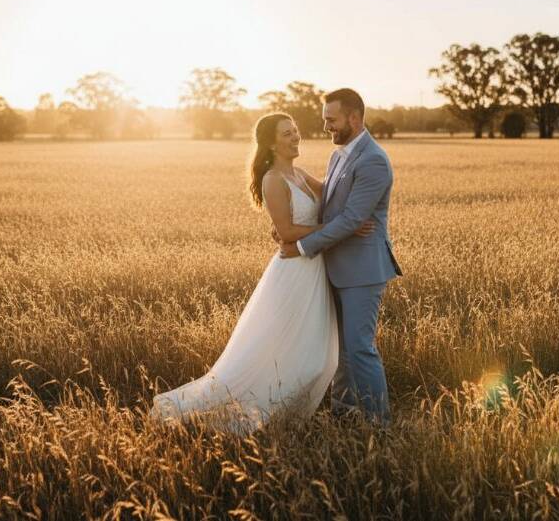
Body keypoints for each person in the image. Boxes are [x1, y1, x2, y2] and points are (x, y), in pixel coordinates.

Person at [150, 112, 375, 433]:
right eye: (287, 133)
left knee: (318, 357)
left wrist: (361, 172)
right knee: (304, 357)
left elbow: (334, 194)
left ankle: (280, 421)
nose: (296, 136)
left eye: (296, 130)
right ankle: (233, 414)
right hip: (294, 271)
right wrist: (345, 228)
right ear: (270, 143)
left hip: (314, 270)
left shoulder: (298, 173)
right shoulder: (273, 179)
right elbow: (286, 230)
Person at [279, 88, 402, 426]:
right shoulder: (338, 156)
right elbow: (334, 208)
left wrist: (301, 246)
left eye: (331, 120)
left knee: (360, 349)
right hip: (336, 267)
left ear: (354, 117)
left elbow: (352, 219)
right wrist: (290, 228)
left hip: (363, 270)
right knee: (343, 351)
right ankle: (344, 414)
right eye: (324, 120)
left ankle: (381, 423)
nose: (326, 127)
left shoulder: (373, 160)